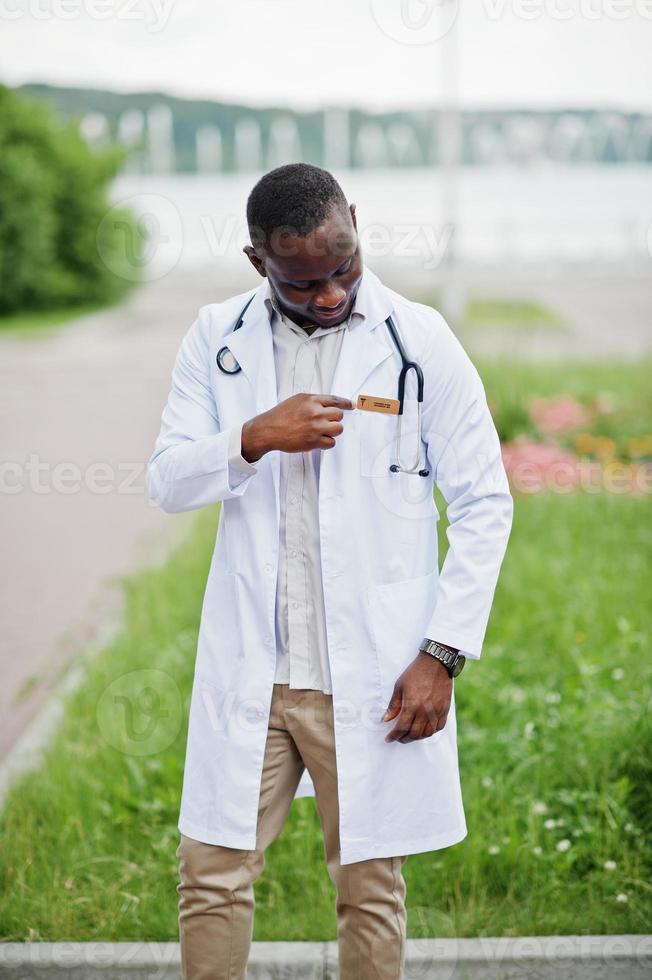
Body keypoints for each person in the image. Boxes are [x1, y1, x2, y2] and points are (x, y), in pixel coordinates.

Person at [146, 162, 513, 980]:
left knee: (370, 885)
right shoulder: (218, 338)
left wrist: (442, 653)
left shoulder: (418, 340)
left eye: (344, 266)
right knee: (210, 875)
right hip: (257, 671)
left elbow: (486, 503)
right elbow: (167, 479)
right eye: (303, 281)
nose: (331, 294)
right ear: (257, 262)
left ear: (355, 219)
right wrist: (252, 436)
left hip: (373, 670)